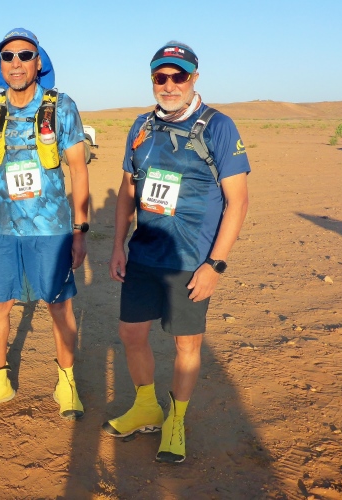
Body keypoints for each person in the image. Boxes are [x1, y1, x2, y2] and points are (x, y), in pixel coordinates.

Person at [103, 42, 250, 464]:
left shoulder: (219, 127)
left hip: (191, 260)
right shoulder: (141, 126)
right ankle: (146, 407)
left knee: (187, 345)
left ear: (194, 78)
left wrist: (215, 265)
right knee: (131, 334)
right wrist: (118, 245)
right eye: (160, 77)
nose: (169, 85)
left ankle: (176, 420)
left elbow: (238, 201)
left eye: (178, 76)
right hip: (143, 255)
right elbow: (128, 189)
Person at [0, 28, 90, 420]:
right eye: (8, 56)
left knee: (58, 305)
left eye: (25, 55)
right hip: (0, 226)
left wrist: (80, 230)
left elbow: (78, 169)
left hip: (50, 227)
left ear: (39, 62)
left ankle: (66, 382)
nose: (16, 63)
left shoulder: (61, 107)